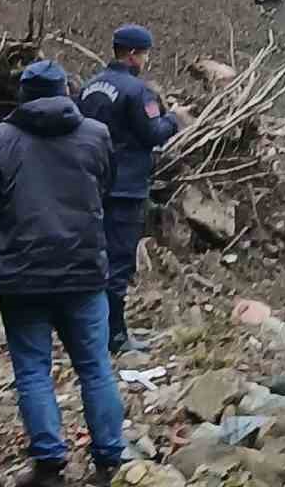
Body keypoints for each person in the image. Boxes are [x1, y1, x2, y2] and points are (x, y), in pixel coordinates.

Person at [0, 58, 126, 486]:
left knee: (33, 369)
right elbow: (104, 189)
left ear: (24, 96)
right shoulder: (96, 135)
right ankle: (110, 461)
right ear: (65, 91)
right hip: (83, 272)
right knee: (95, 367)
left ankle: (49, 465)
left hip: (21, 276)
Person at [78, 24, 179, 355]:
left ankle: (87, 330)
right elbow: (153, 133)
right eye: (145, 54)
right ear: (134, 54)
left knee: (93, 259)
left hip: (92, 185)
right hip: (126, 188)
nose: (146, 60)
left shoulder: (90, 87)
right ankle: (116, 337)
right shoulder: (138, 92)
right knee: (119, 262)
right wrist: (174, 119)